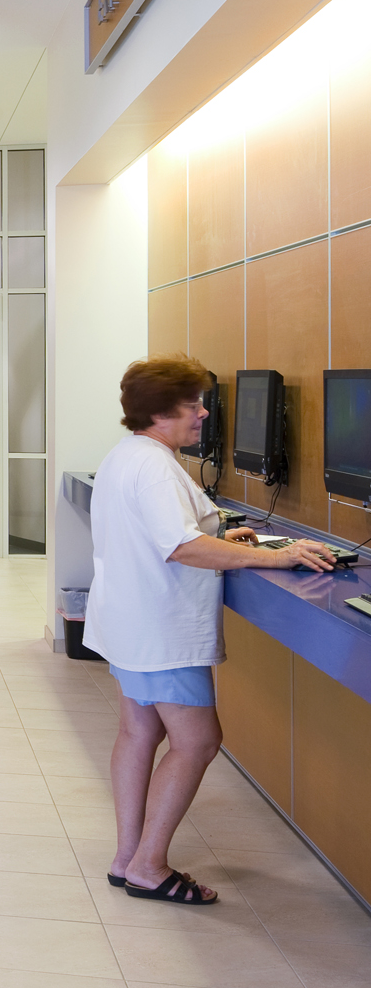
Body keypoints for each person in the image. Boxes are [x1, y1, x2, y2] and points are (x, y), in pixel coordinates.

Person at [88, 355, 333, 905]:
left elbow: (172, 530)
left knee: (139, 732)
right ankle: (150, 866)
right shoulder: (154, 466)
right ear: (161, 411)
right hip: (159, 627)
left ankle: (128, 856)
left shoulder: (130, 456)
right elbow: (180, 545)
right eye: (192, 403)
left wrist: (225, 536)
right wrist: (279, 557)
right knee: (198, 741)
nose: (202, 413)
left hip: (130, 623)